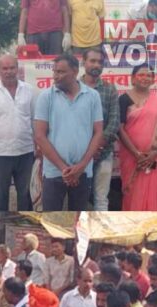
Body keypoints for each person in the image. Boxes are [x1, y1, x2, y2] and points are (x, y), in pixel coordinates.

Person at [34, 54, 104, 211]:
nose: (55, 76)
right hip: (53, 172)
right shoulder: (46, 97)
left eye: (60, 72)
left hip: (83, 172)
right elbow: (39, 135)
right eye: (54, 72)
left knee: (78, 220)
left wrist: (81, 166)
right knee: (51, 219)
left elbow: (98, 133)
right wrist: (64, 169)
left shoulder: (92, 96)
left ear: (74, 71)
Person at [0, 55, 35, 211]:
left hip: (26, 152)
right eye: (5, 68)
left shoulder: (28, 90)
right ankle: (0, 224)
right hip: (0, 154)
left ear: (18, 69)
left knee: (25, 194)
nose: (9, 72)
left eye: (12, 68)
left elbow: (34, 121)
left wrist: (38, 148)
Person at [118, 64, 157, 210]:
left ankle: (152, 230)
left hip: (155, 157)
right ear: (133, 79)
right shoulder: (124, 99)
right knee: (132, 196)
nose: (145, 78)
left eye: (149, 75)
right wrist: (137, 154)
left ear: (153, 79)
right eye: (141, 75)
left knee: (153, 195)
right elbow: (119, 129)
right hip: (132, 158)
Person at [80, 49, 119, 210]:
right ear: (84, 63)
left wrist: (97, 146)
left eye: (100, 62)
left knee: (101, 199)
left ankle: (100, 234)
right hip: (78, 155)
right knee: (79, 198)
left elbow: (114, 121)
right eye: (92, 61)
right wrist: (88, 150)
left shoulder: (109, 89)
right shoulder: (74, 88)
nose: (96, 65)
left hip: (104, 153)